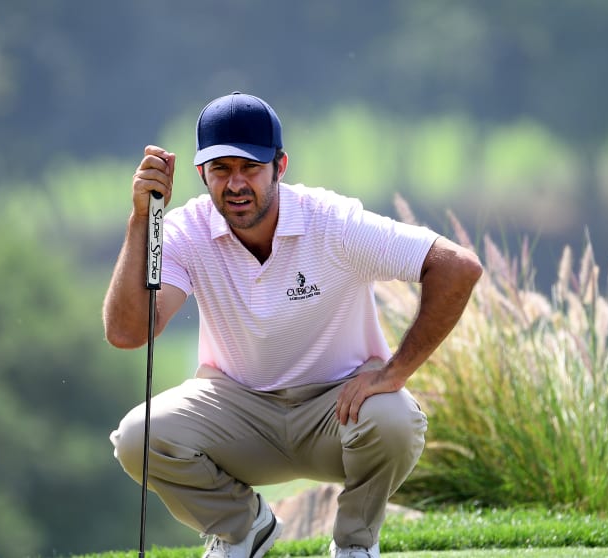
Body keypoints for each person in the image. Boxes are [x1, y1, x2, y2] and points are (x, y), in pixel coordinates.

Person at [104, 92, 482, 558]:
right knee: (137, 439)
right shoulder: (183, 230)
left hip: (336, 410)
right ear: (202, 174)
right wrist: (141, 220)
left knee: (396, 419)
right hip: (237, 410)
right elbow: (128, 333)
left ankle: (355, 545)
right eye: (221, 169)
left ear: (280, 166)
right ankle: (244, 529)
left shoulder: (333, 223)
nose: (236, 183)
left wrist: (394, 372)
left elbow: (457, 267)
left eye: (251, 167)